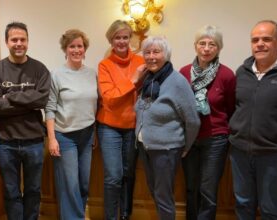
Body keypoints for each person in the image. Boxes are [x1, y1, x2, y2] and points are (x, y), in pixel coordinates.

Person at [0, 22, 51, 220]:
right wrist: (27, 100)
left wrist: (10, 96)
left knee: (33, 189)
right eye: (14, 39)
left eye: (22, 39)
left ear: (27, 42)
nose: (18, 43)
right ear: (7, 42)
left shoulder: (39, 68)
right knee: (11, 191)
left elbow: (42, 99)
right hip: (5, 142)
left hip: (33, 140)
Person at [135, 36, 200, 220]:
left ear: (166, 54)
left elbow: (193, 120)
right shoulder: (148, 79)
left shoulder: (177, 81)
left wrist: (185, 146)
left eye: (156, 51)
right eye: (147, 52)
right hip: (146, 146)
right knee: (156, 193)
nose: (151, 56)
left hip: (166, 149)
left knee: (163, 196)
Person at [180, 25, 236, 220]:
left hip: (216, 139)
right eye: (202, 43)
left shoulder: (227, 75)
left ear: (219, 48)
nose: (206, 48)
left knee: (208, 190)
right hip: (189, 139)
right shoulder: (184, 72)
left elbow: (230, 109)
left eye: (212, 44)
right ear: (195, 46)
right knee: (190, 187)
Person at [45, 29, 98, 220]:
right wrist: (52, 139)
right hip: (64, 136)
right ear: (65, 49)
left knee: (83, 183)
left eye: (80, 46)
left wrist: (95, 134)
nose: (76, 50)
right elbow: (49, 108)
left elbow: (95, 106)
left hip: (87, 135)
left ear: (85, 49)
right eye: (72, 46)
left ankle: (78, 215)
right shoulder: (57, 74)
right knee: (70, 185)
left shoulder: (92, 73)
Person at [97, 20, 146, 220]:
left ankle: (125, 215)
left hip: (133, 126)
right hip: (109, 126)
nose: (122, 41)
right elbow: (109, 97)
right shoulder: (105, 65)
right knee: (113, 177)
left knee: (129, 175)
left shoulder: (141, 62)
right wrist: (133, 80)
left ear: (130, 39)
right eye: (117, 37)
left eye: (125, 37)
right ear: (111, 40)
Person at [229, 20, 277, 220]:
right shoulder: (242, 72)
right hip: (239, 152)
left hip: (272, 155)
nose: (260, 44)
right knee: (243, 204)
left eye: (267, 39)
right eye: (255, 40)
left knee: (270, 209)